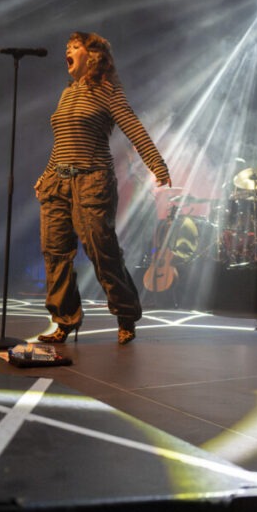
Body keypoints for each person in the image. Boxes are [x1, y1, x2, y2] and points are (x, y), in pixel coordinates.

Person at [34, 31, 171, 345]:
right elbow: (62, 142)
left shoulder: (107, 90)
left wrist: (157, 165)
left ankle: (126, 314)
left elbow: (133, 127)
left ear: (93, 55)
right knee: (55, 253)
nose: (67, 50)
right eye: (67, 46)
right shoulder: (67, 93)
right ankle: (64, 320)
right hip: (58, 182)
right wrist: (46, 174)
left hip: (92, 180)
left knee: (102, 252)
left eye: (75, 46)